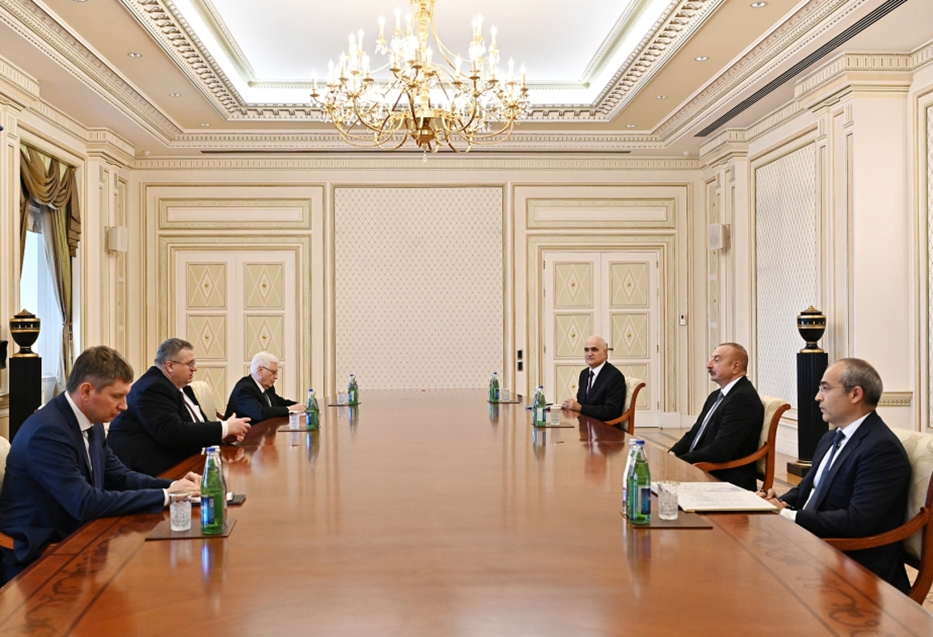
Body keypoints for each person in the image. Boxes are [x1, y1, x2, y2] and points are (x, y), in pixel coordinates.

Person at [0, 346, 201, 584]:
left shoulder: (91, 421)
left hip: (81, 537)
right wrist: (166, 496)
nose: (125, 406)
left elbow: (120, 476)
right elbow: (85, 503)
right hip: (39, 556)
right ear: (86, 391)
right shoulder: (47, 432)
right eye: (117, 396)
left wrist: (174, 486)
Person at [761, 358, 911, 594]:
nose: (817, 397)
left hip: (856, 568)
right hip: (815, 546)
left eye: (825, 388)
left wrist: (787, 515)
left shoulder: (881, 449)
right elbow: (806, 490)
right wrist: (776, 502)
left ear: (856, 394)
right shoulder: (831, 437)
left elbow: (856, 521)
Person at [108, 338, 250, 477]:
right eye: (190, 364)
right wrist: (225, 427)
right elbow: (173, 433)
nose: (195, 368)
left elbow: (196, 425)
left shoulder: (183, 388)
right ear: (170, 366)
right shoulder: (153, 388)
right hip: (146, 472)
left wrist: (223, 436)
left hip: (180, 460)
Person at [669, 343, 764, 490]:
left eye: (717, 360)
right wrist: (672, 453)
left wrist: (679, 463)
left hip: (724, 478)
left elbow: (720, 451)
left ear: (736, 367)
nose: (708, 365)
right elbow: (694, 433)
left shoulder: (742, 399)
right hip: (701, 469)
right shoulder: (716, 395)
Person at [224, 351, 303, 423]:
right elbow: (260, 413)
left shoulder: (267, 387)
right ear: (260, 370)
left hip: (261, 431)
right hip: (242, 434)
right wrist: (290, 409)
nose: (276, 377)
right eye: (273, 372)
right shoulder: (244, 389)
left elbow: (279, 402)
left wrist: (300, 406)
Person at [561, 336, 627, 423]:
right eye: (586, 350)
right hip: (585, 425)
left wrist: (580, 408)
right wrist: (570, 405)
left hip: (604, 428)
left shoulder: (614, 376)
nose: (589, 354)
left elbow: (611, 411)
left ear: (605, 352)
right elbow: (583, 403)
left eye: (594, 350)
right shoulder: (584, 374)